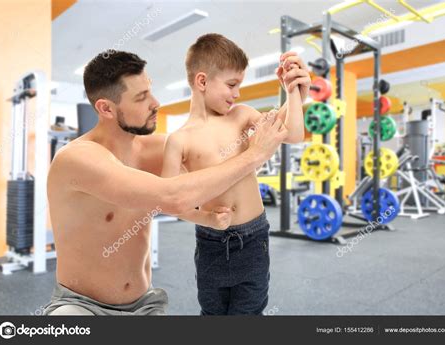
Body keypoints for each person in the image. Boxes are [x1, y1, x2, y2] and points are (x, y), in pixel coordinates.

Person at [43, 50, 289, 315]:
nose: (156, 102)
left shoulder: (157, 148)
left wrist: (295, 92)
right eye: (141, 97)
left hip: (145, 305)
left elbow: (221, 159)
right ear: (106, 108)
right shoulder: (78, 158)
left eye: (150, 91)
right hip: (81, 306)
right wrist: (255, 155)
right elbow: (173, 197)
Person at [161, 34, 310, 315]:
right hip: (210, 243)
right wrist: (206, 218)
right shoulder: (179, 140)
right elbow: (169, 202)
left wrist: (293, 92)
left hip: (253, 238)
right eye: (232, 84)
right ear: (202, 81)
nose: (237, 93)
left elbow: (293, 133)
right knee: (213, 315)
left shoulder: (242, 115)